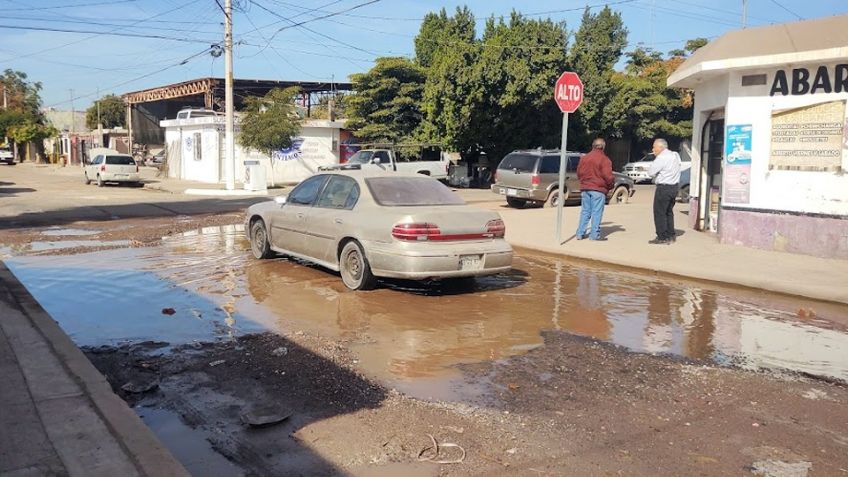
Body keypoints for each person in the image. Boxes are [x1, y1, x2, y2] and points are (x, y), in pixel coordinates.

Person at [575, 138, 615, 241]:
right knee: (596, 212)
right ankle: (594, 235)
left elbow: (579, 173)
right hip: (598, 189)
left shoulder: (584, 158)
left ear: (593, 146)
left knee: (585, 211)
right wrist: (610, 186)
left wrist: (583, 182)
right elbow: (608, 176)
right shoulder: (604, 159)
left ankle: (580, 233)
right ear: (603, 147)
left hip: (585, 188)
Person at [647, 138, 681, 244]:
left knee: (660, 212)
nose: (653, 149)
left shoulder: (662, 157)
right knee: (668, 212)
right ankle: (671, 234)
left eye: (654, 147)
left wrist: (656, 159)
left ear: (661, 147)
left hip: (664, 188)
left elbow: (651, 172)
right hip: (674, 187)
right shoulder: (675, 155)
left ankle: (662, 236)